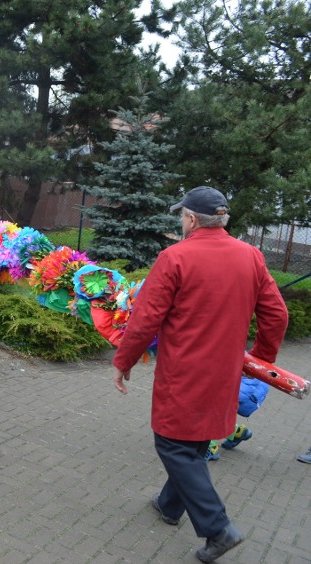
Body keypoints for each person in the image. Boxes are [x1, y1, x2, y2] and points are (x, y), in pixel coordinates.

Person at [112, 186, 289, 563]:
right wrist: (260, 361)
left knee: (172, 443)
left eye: (182, 215)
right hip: (225, 373)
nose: (181, 220)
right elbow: (277, 315)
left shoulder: (175, 256)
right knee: (191, 442)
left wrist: (124, 361)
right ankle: (168, 505)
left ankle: (218, 528)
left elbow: (145, 320)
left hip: (184, 373)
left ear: (191, 219)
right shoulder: (252, 256)